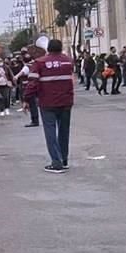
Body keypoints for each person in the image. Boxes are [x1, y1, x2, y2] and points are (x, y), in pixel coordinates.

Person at [24, 38, 74, 174]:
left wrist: (26, 99)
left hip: (47, 103)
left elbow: (32, 83)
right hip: (66, 102)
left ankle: (56, 163)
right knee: (64, 131)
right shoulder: (68, 61)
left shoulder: (40, 63)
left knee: (50, 132)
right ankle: (64, 160)